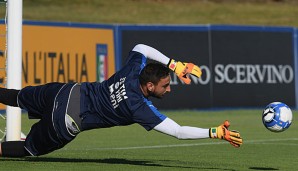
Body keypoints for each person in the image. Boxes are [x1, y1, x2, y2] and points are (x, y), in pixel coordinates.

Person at [0, 44, 242, 157]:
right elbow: (178, 132)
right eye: (165, 85)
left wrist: (174, 65)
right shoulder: (140, 108)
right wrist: (213, 132)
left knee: (16, 96)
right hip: (66, 120)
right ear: (149, 86)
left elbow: (141, 47)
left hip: (64, 92)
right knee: (27, 149)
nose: (169, 90)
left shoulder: (133, 70)